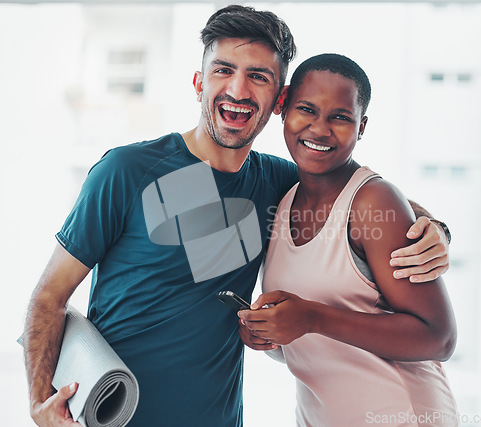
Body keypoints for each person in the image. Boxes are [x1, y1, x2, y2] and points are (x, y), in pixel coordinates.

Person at [23, 6, 451, 427]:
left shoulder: (280, 182)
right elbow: (48, 297)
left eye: (258, 77)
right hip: (115, 417)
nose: (238, 90)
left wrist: (436, 228)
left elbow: (363, 195)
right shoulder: (125, 172)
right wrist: (40, 403)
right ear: (198, 82)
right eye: (223, 70)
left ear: (279, 98)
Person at [238, 53, 459, 426]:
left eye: (340, 117)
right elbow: (324, 342)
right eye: (306, 109)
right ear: (283, 107)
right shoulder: (282, 198)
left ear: (362, 126)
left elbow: (438, 337)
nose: (320, 129)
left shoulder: (373, 201)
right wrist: (269, 329)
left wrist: (311, 317)